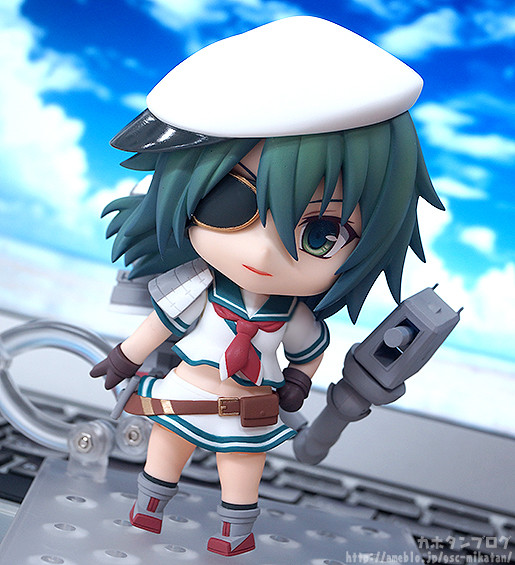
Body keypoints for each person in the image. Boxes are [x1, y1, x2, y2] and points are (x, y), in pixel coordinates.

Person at [90, 16, 443, 557]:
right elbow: (159, 323)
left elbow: (306, 351)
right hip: (187, 390)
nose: (260, 252)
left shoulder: (292, 316)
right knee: (164, 453)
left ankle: (234, 533)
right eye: (230, 202)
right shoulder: (198, 285)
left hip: (249, 409)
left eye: (322, 234)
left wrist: (298, 383)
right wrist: (124, 358)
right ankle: (147, 509)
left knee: (241, 472)